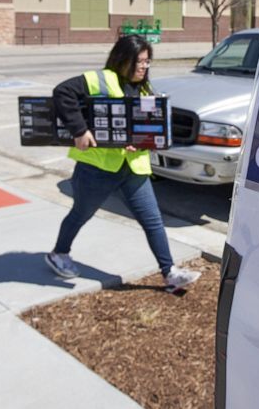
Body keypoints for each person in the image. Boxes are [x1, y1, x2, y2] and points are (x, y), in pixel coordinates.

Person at [45, 35, 201, 290]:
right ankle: (58, 254)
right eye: (140, 61)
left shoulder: (145, 89)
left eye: (147, 62)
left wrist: (142, 141)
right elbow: (62, 92)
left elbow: (146, 127)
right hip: (97, 168)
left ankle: (169, 272)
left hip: (133, 168)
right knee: (81, 214)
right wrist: (80, 130)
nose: (144, 67)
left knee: (153, 220)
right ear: (123, 59)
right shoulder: (100, 79)